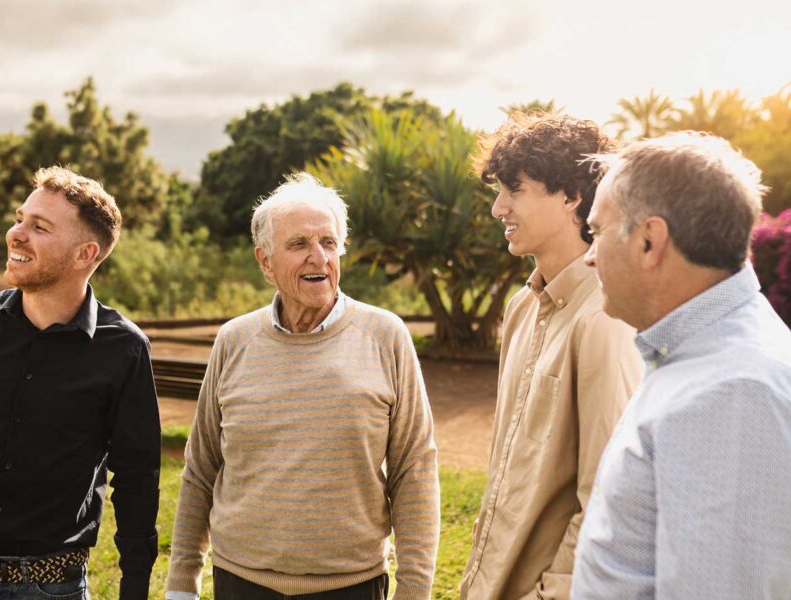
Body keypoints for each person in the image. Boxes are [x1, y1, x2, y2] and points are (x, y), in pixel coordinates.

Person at [165, 173, 439, 600]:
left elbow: (415, 471)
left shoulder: (386, 336)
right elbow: (201, 469)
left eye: (328, 243)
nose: (318, 257)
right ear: (265, 261)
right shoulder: (234, 340)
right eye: (299, 245)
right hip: (241, 582)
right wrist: (182, 583)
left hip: (351, 586)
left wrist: (414, 590)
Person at [0, 167, 161, 600]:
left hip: (51, 587)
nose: (15, 234)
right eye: (20, 218)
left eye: (38, 227)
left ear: (85, 253)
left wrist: (133, 587)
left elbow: (137, 476)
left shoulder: (123, 349)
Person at [572, 132, 791, 598]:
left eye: (595, 232)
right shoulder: (699, 356)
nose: (589, 256)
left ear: (650, 241)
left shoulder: (731, 393)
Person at [460, 114, 642, 600]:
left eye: (514, 191)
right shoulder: (520, 307)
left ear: (570, 196)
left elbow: (609, 497)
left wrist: (551, 593)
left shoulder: (606, 319)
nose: (499, 208)